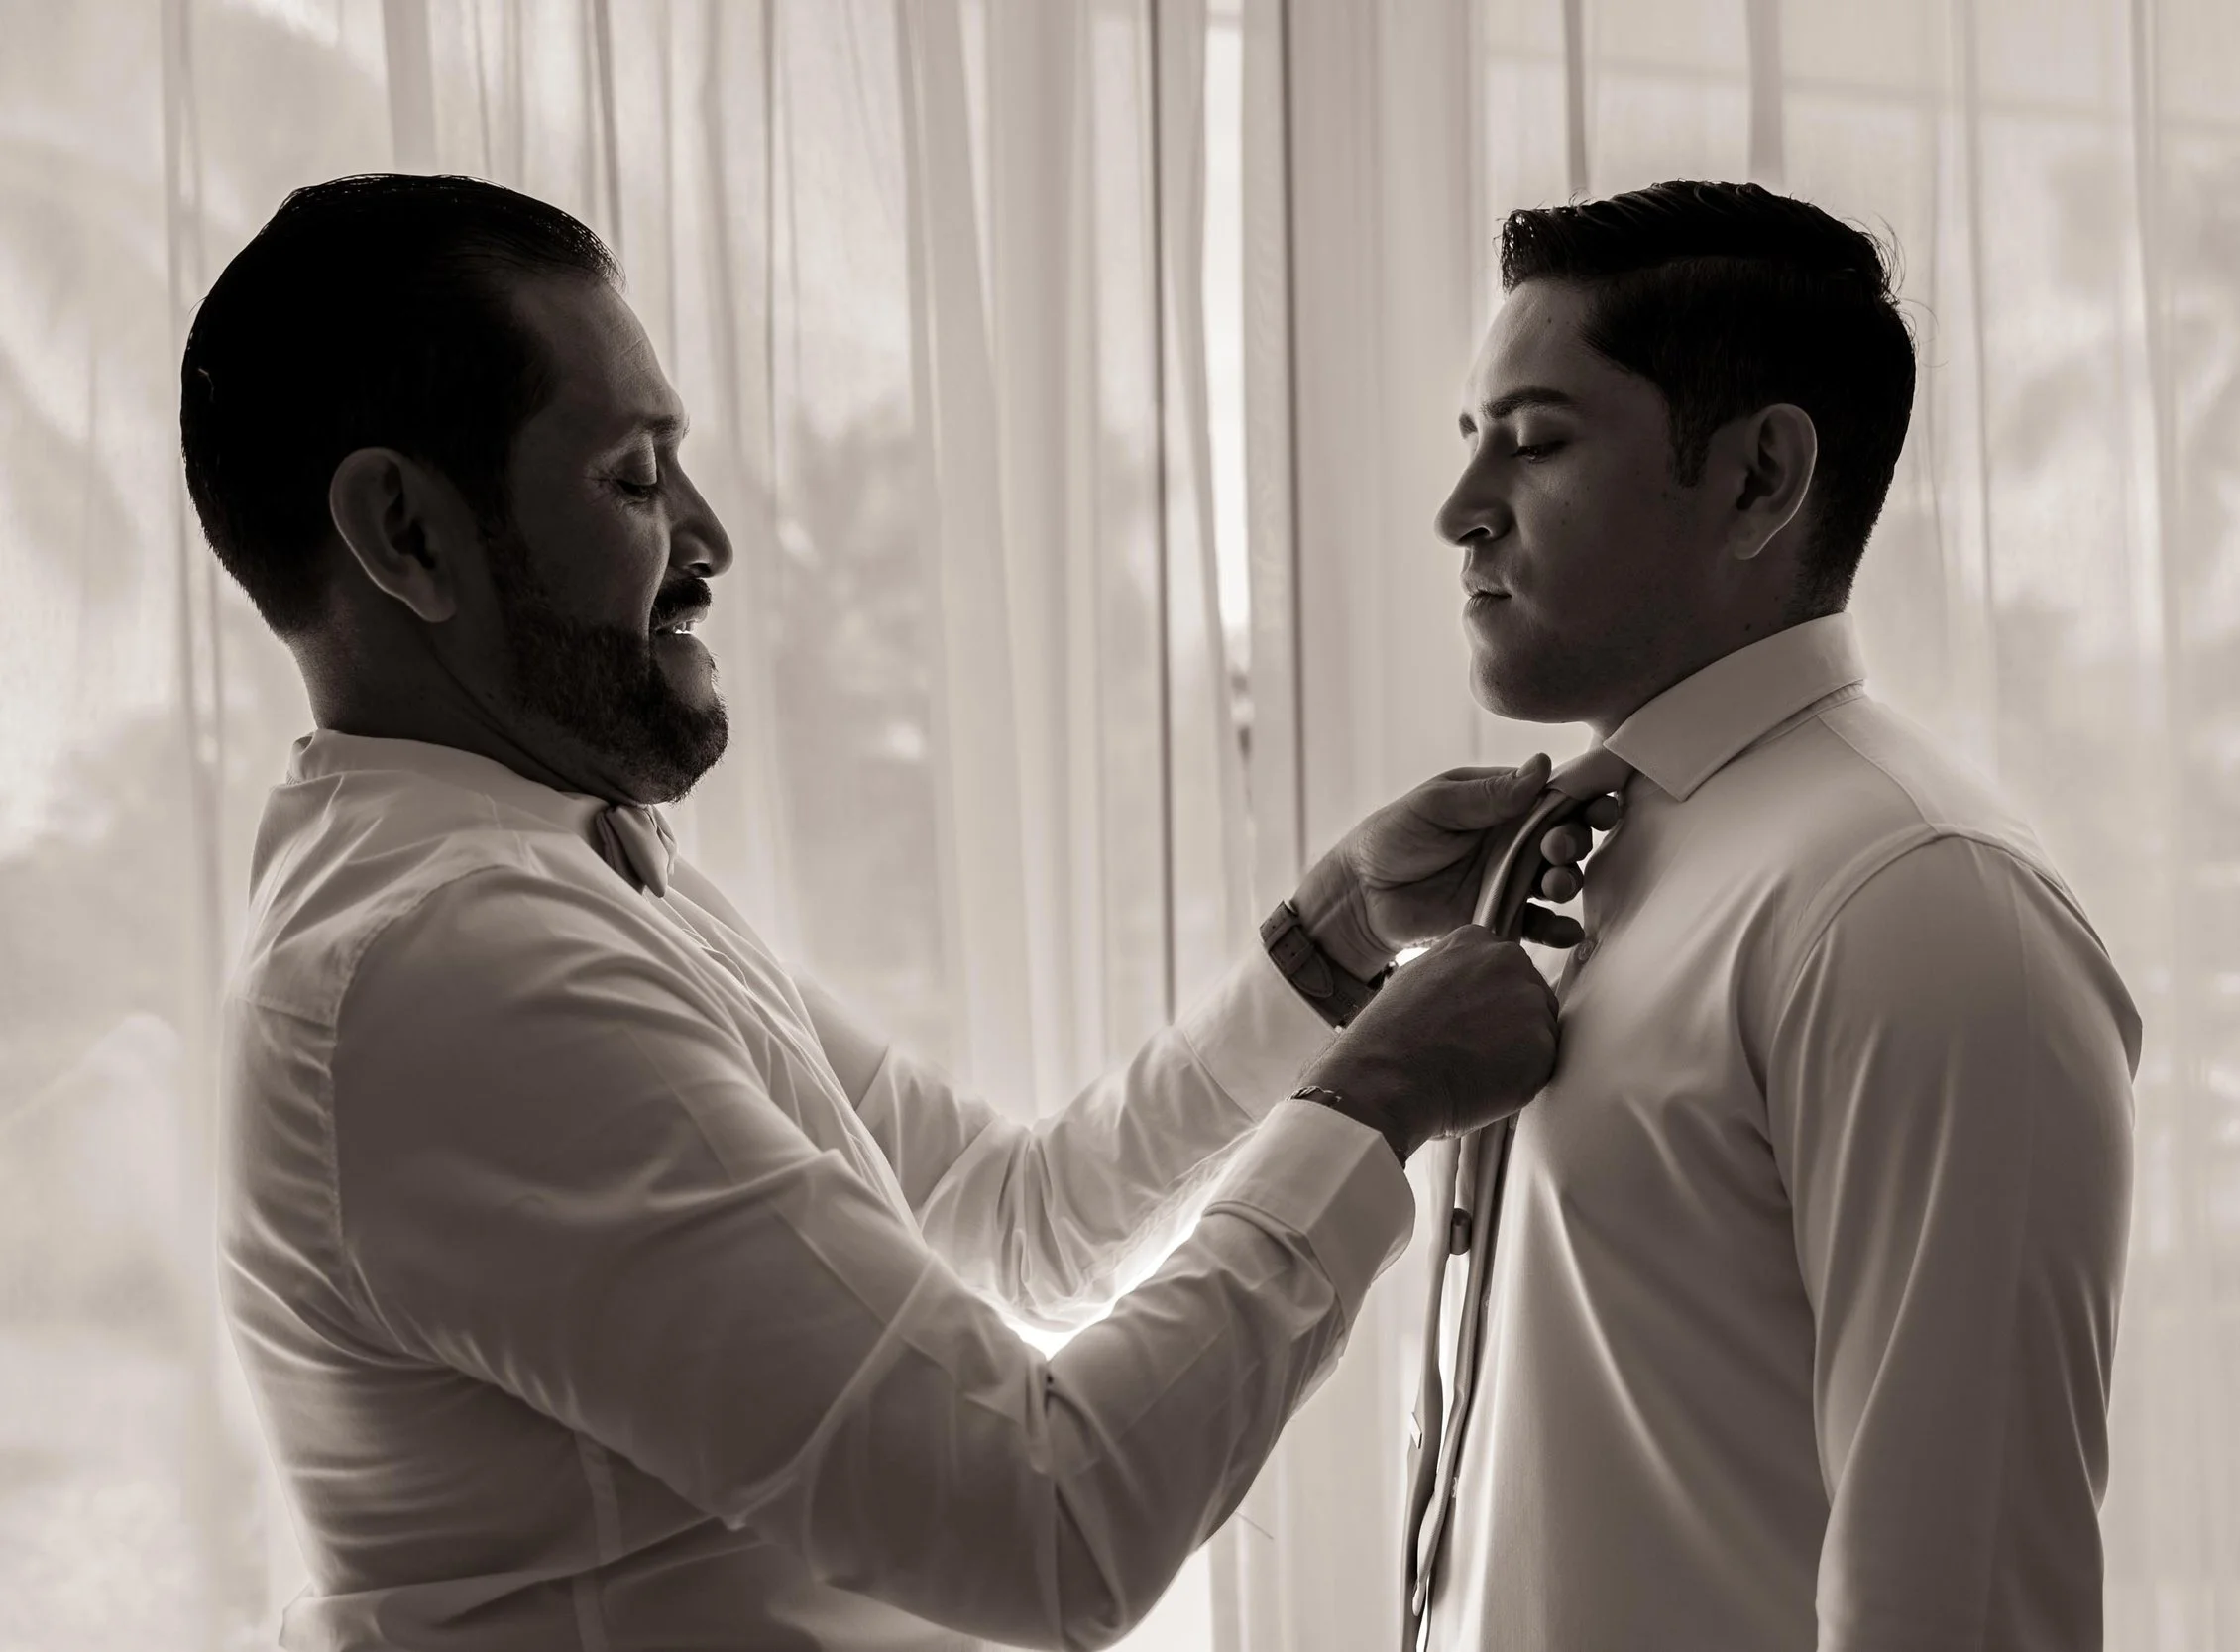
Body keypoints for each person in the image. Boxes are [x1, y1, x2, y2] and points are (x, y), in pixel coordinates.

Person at [191, 174, 1598, 1652]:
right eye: (634, 477)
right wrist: (1377, 1095)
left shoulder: (572, 870)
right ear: (404, 532)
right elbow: (1047, 1525)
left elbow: (1021, 1213)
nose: (711, 537)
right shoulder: (463, 968)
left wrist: (1335, 940)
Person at [1420, 181, 2141, 1650]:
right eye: (1471, 440)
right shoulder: (1587, 868)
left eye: (1537, 441)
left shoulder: (1916, 910)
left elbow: (1963, 1602)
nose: (1460, 512)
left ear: (1760, 479)